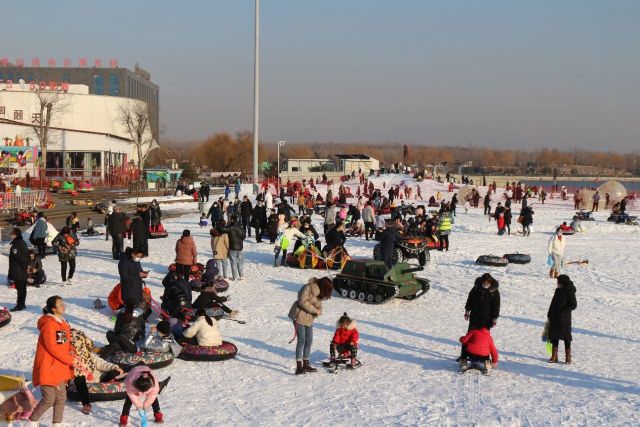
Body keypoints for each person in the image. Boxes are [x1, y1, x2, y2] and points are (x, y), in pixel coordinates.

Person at [30, 296, 74, 426]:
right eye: (60, 304)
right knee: (49, 399)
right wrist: (70, 360)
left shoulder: (62, 322)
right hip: (48, 367)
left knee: (61, 398)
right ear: (54, 309)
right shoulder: (50, 324)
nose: (63, 306)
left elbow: (63, 343)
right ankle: (32, 421)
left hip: (59, 367)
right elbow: (53, 347)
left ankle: (57, 424)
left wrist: (71, 349)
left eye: (62, 303)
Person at [70, 329, 124, 415]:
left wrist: (114, 367)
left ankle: (134, 371)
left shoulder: (88, 354)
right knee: (80, 382)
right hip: (85, 383)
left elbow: (100, 363)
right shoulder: (69, 358)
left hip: (100, 377)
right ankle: (111, 382)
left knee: (116, 370)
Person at [288, 277, 334, 375]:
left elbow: (319, 305)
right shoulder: (308, 287)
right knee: (301, 341)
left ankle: (306, 363)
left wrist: (319, 311)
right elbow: (302, 301)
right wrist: (315, 310)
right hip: (299, 316)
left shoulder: (320, 293)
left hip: (309, 318)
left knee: (309, 340)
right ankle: (299, 367)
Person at [547, 274, 577, 364]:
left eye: (558, 282)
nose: (557, 284)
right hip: (555, 317)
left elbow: (573, 305)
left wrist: (563, 311)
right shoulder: (558, 290)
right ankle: (554, 356)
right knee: (554, 336)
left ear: (562, 283)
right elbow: (553, 303)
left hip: (564, 318)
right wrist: (549, 313)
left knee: (566, 337)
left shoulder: (570, 291)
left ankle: (568, 357)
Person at [8, 228, 29, 311]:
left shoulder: (16, 244)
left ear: (15, 235)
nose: (11, 235)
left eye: (12, 233)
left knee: (20, 289)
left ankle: (20, 305)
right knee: (22, 288)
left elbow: (19, 258)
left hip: (18, 270)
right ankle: (22, 304)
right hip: (21, 270)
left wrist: (24, 268)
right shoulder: (22, 242)